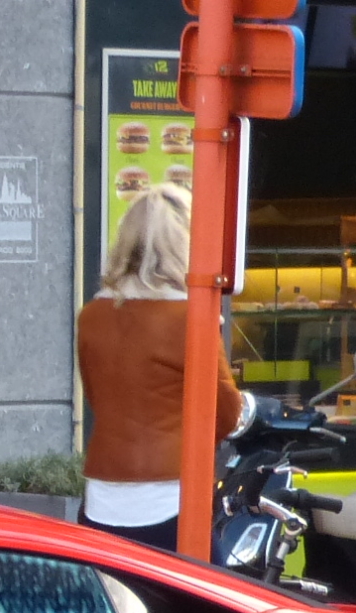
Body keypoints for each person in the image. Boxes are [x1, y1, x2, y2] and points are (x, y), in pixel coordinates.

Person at [76, 184, 240, 550]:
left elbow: (97, 399)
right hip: (172, 502)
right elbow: (227, 413)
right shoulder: (190, 318)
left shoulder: (92, 316)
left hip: (101, 498)